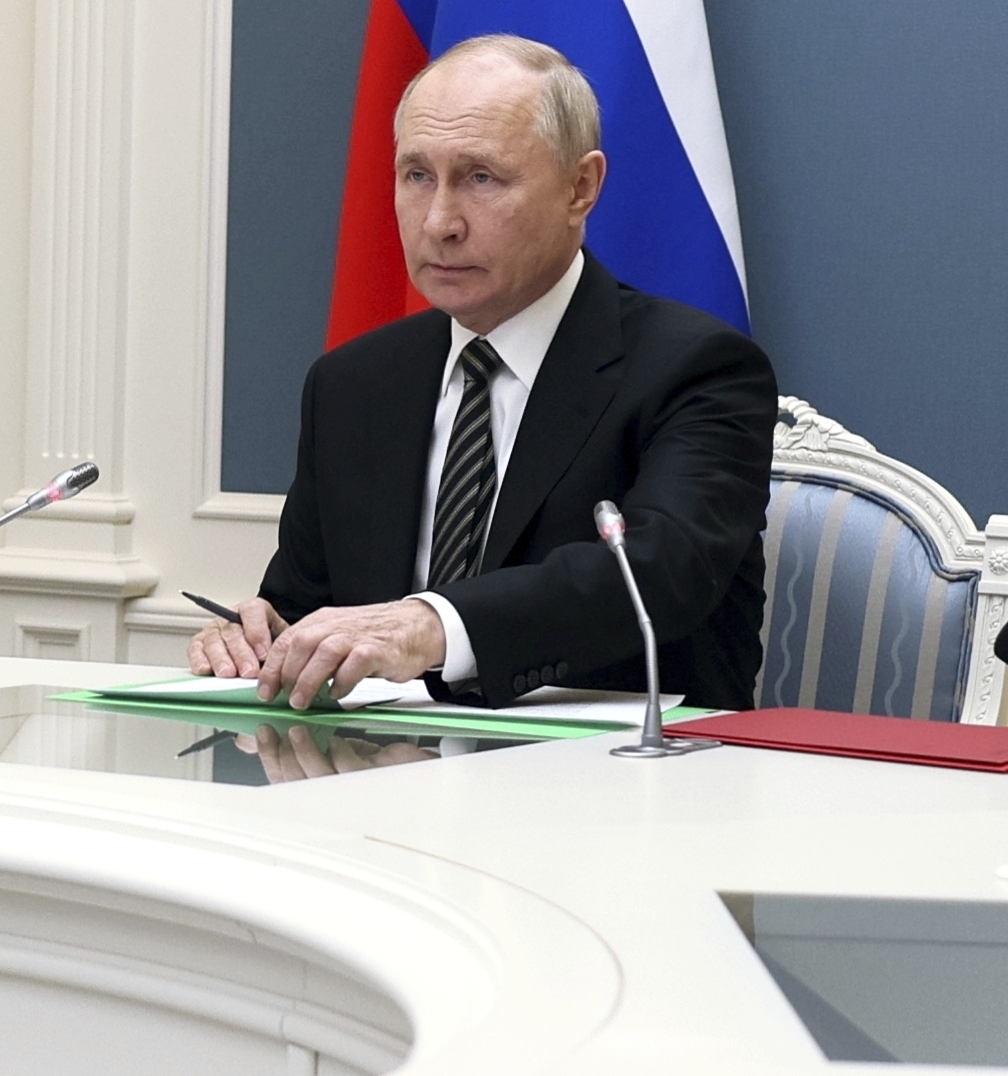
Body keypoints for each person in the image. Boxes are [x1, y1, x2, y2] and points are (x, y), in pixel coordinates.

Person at [193, 35, 775, 713]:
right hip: (375, 788)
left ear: (580, 187)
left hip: (616, 788)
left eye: (480, 178)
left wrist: (431, 624)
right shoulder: (352, 384)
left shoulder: (695, 368)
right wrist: (254, 641)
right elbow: (303, 610)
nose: (439, 221)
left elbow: (656, 573)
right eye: (416, 175)